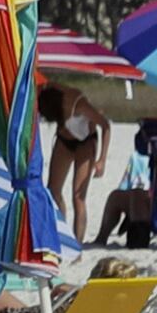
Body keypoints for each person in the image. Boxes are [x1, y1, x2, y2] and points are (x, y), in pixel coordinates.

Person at [41, 79, 105, 242]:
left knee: (78, 197)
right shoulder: (50, 90)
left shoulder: (79, 104)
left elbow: (106, 126)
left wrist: (101, 160)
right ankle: (61, 235)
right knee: (53, 190)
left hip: (85, 142)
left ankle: (77, 245)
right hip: (64, 142)